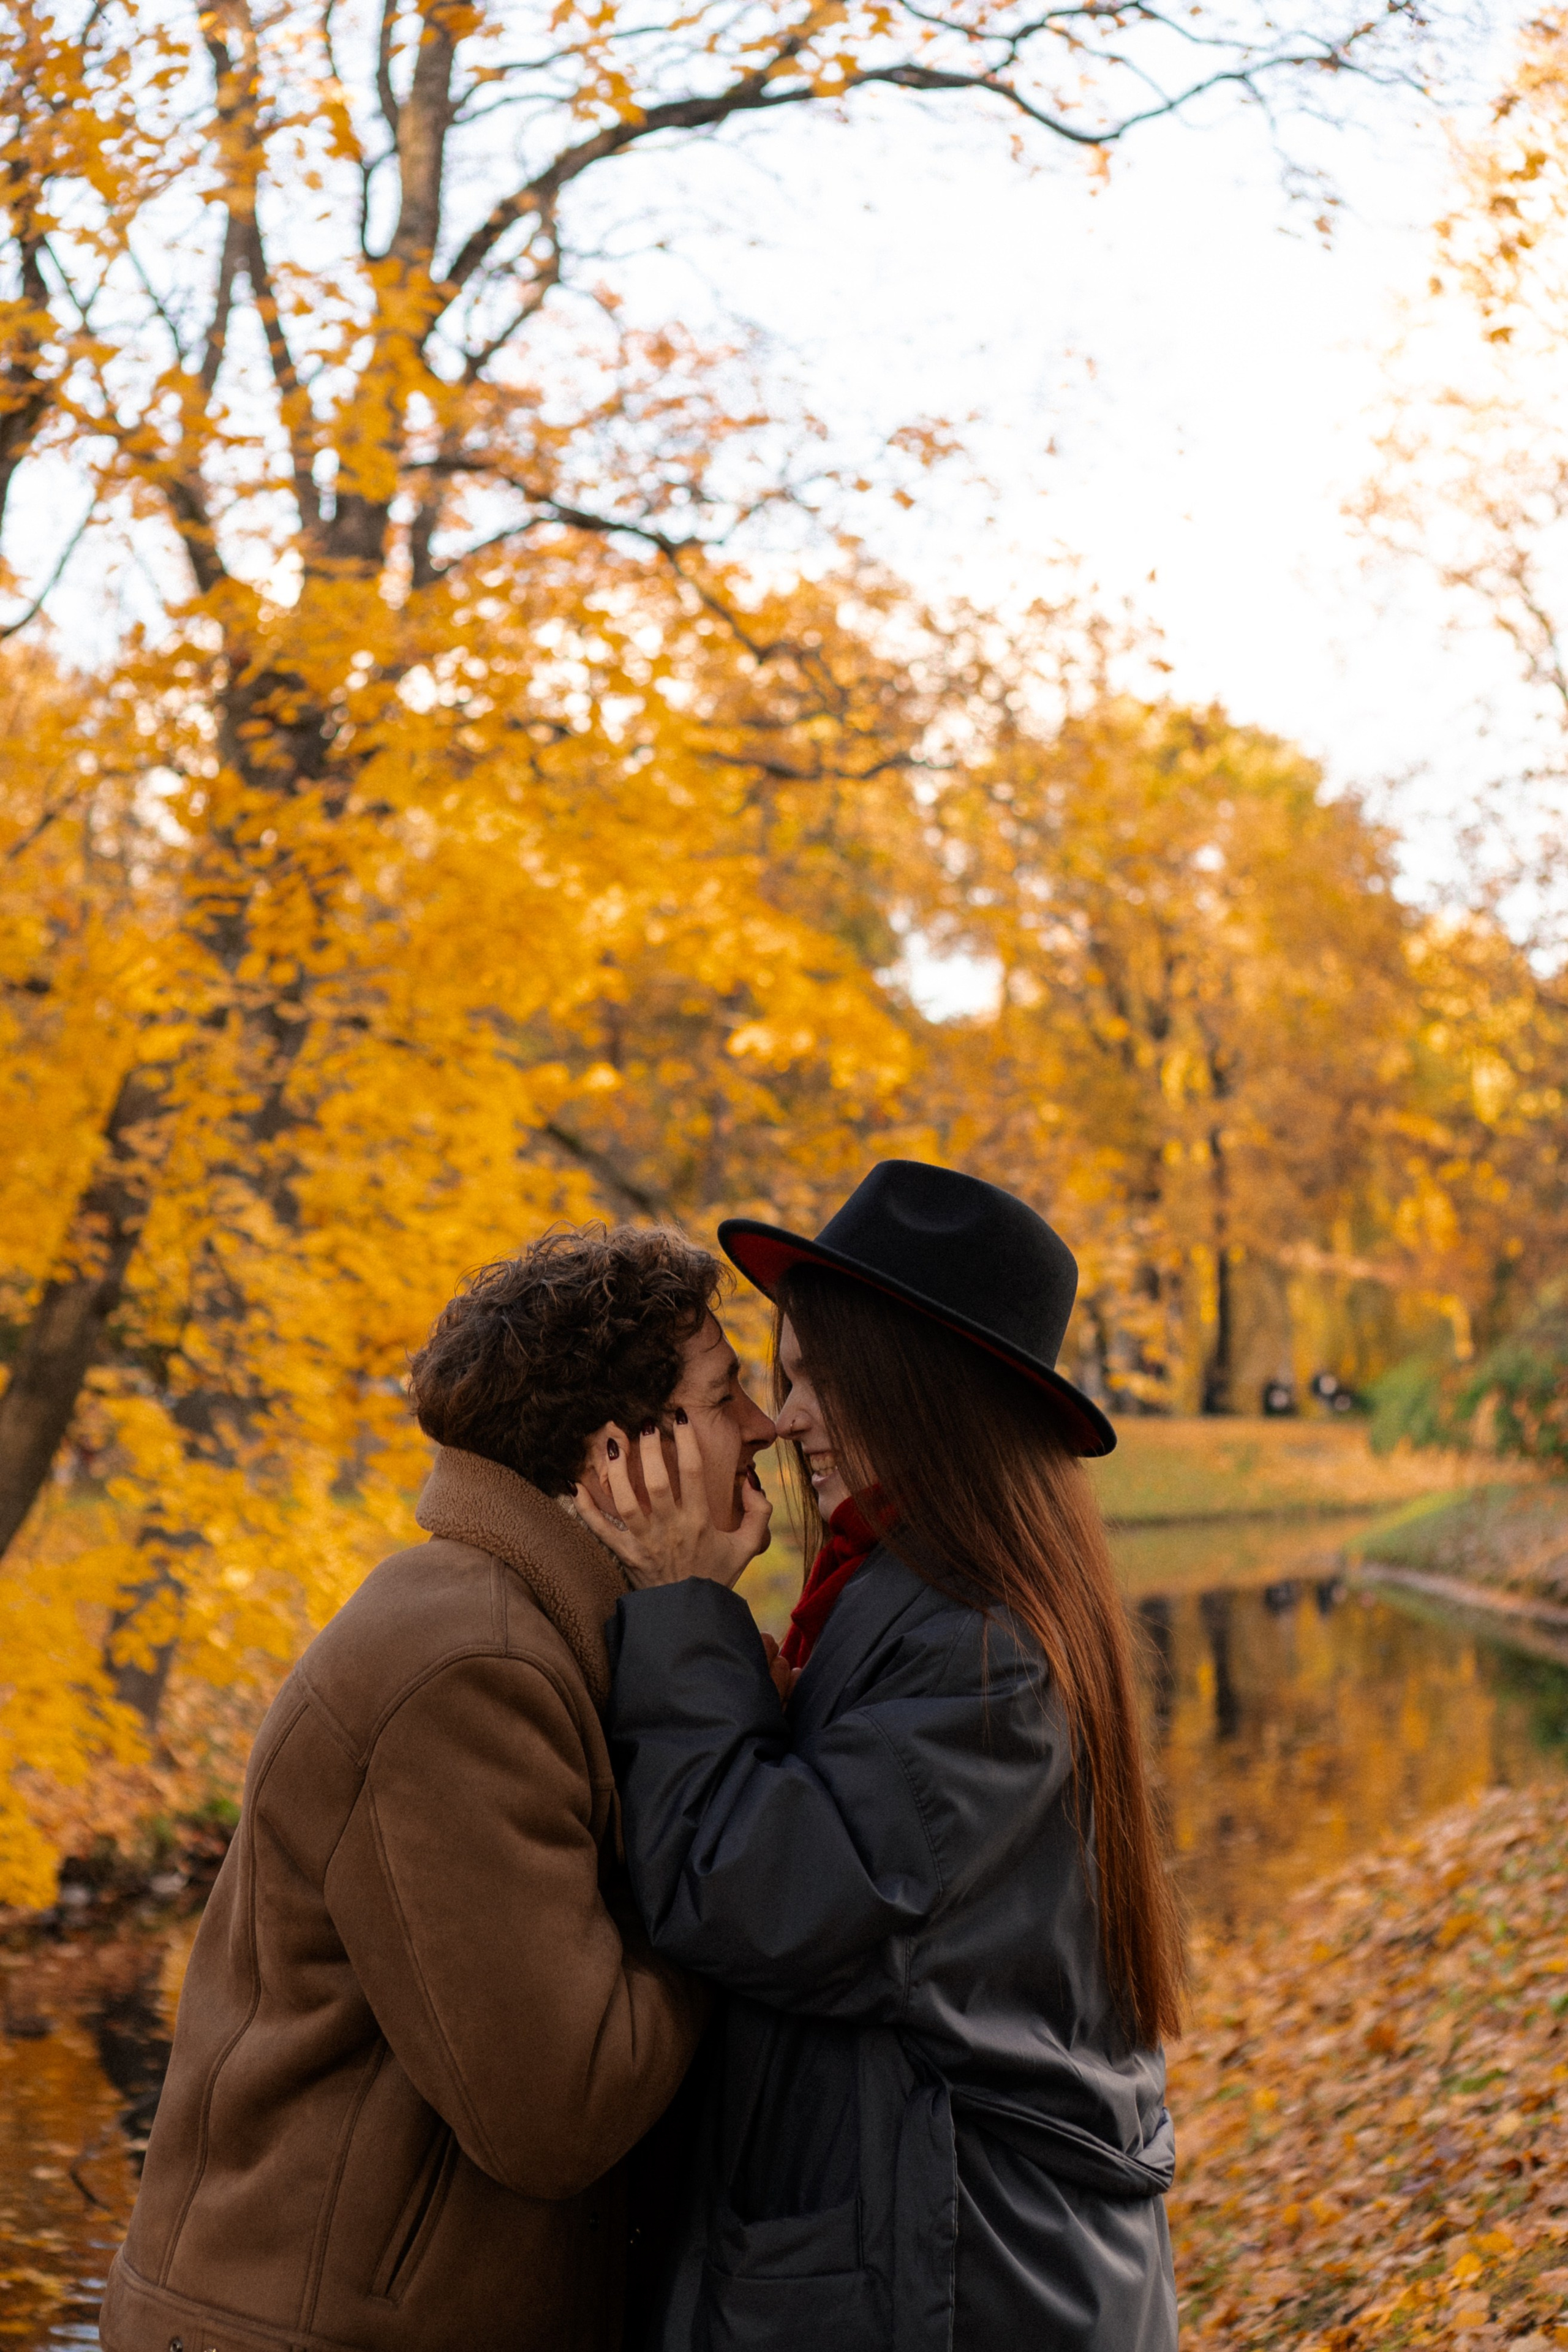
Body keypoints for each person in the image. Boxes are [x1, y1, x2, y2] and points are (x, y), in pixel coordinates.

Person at [100, 1224, 775, 2352]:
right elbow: (565, 2108)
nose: (761, 1426)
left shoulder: (557, 1635)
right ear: (619, 1458)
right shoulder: (471, 1667)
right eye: (726, 1394)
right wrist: (736, 1881)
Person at [575, 1160, 1184, 2352]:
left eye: (816, 1381)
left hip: (959, 2280)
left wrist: (684, 1610)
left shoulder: (981, 1645)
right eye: (781, 1378)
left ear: (921, 1395)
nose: (784, 1418)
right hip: (938, 2249)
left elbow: (748, 1893)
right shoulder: (905, 1596)